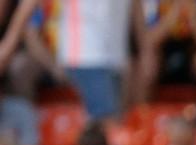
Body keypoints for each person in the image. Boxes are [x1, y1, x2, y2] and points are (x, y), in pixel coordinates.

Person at [0, 0, 147, 120]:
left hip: (117, 57)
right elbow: (29, 6)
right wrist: (9, 42)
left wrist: (145, 50)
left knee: (115, 123)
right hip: (86, 56)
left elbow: (136, 7)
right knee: (105, 124)